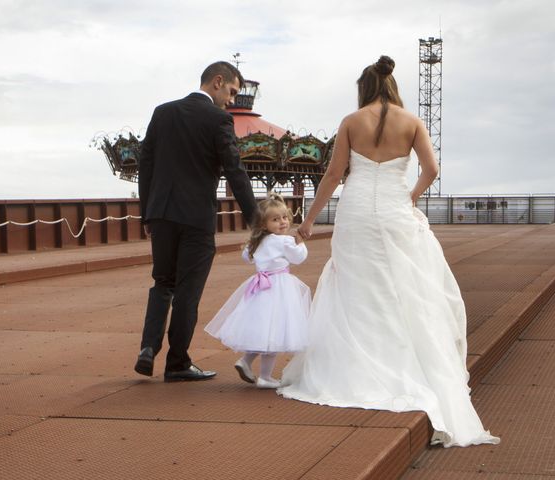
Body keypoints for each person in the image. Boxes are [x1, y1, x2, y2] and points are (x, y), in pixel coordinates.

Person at [277, 56, 500, 447]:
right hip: (396, 210)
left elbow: (333, 175)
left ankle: (357, 366)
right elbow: (431, 169)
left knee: (357, 286)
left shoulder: (351, 121)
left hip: (358, 209)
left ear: (364, 88)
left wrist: (309, 221)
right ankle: (408, 363)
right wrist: (410, 197)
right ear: (392, 85)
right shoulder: (411, 121)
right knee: (402, 286)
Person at [135, 61, 258, 382]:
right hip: (196, 218)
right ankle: (177, 363)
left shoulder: (163, 112)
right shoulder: (218, 119)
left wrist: (148, 211)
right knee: (188, 292)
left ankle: (147, 348)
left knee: (162, 282)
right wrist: (256, 221)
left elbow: (145, 165)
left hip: (161, 214)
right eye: (231, 91)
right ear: (218, 82)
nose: (231, 100)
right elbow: (234, 170)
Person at [205, 194, 310, 388]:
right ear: (264, 224)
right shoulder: (285, 241)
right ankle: (265, 377)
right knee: (274, 333)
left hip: (260, 288)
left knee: (263, 331)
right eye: (275, 219)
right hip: (279, 287)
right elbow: (299, 258)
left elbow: (248, 257)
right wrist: (300, 242)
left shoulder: (258, 242)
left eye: (284, 217)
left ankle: (245, 361)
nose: (282, 222)